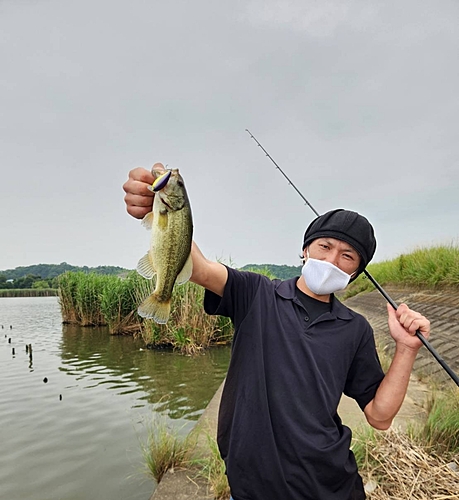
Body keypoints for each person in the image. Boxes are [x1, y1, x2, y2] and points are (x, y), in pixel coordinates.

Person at [123, 164, 430, 500]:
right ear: (305, 249)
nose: (332, 261)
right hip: (252, 484)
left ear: (356, 271)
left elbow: (380, 416)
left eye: (348, 255)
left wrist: (406, 348)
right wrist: (160, 201)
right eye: (324, 246)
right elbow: (199, 267)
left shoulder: (354, 329)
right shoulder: (256, 294)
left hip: (330, 485)